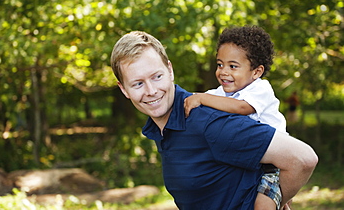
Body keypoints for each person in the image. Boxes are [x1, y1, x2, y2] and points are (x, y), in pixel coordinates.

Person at [110, 31, 318, 209]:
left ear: (170, 70)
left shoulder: (207, 121)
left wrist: (277, 198)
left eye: (157, 77)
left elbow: (302, 158)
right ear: (123, 89)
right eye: (138, 84)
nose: (151, 91)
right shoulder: (165, 126)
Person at [184, 25, 286, 209]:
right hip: (247, 163)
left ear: (256, 72)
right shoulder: (219, 93)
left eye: (233, 66)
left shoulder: (260, 88)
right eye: (220, 64)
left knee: (263, 205)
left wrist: (203, 98)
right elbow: (197, 100)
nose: (223, 72)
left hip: (273, 166)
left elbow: (241, 107)